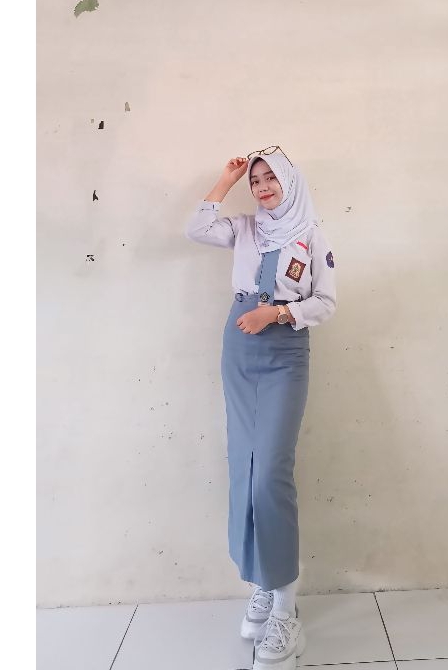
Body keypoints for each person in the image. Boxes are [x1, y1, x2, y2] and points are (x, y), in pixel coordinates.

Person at [184, 146, 337, 669]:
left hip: (283, 353)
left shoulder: (311, 234)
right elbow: (197, 228)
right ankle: (263, 587)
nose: (263, 186)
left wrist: (276, 313)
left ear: (290, 181)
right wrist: (226, 179)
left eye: (271, 177)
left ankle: (286, 609)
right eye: (256, 180)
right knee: (244, 470)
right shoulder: (246, 228)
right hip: (239, 349)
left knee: (271, 472)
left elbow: (326, 302)